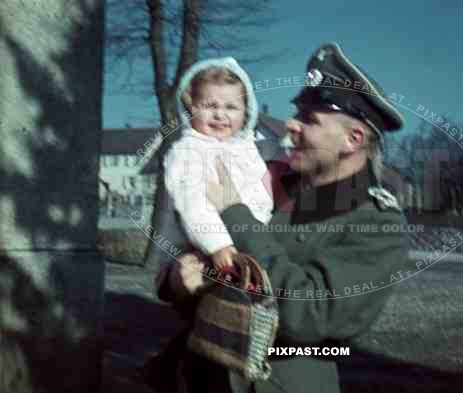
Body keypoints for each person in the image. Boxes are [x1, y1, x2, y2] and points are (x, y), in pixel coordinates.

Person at [151, 42, 413, 393]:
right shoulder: (266, 179)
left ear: (353, 139)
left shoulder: (379, 224)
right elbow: (181, 255)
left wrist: (234, 213)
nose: (291, 125)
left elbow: (309, 317)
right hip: (200, 374)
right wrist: (178, 279)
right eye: (297, 113)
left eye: (310, 119)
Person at [163, 57, 273, 272]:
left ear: (246, 112)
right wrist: (217, 244)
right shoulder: (188, 151)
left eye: (231, 107)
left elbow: (262, 195)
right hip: (210, 247)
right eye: (210, 106)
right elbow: (192, 203)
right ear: (191, 107)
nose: (220, 115)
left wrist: (260, 233)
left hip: (252, 240)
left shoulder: (248, 149)